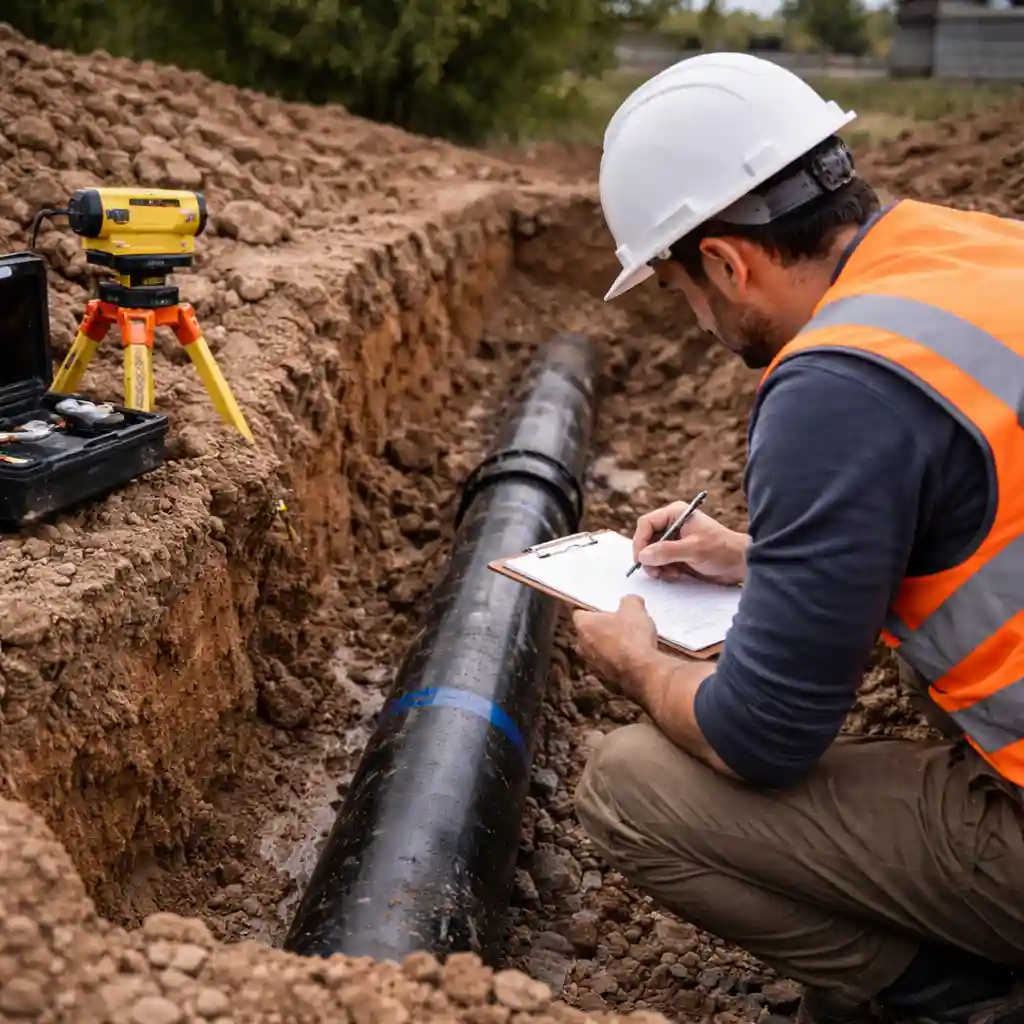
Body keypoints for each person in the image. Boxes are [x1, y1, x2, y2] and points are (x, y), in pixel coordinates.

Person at [569, 52, 1024, 1024]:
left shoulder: (837, 385)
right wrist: (759, 557)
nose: (696, 317)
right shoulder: (977, 253)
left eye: (679, 288)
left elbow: (761, 737)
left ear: (727, 262)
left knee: (625, 786)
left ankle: (959, 995)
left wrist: (638, 662)